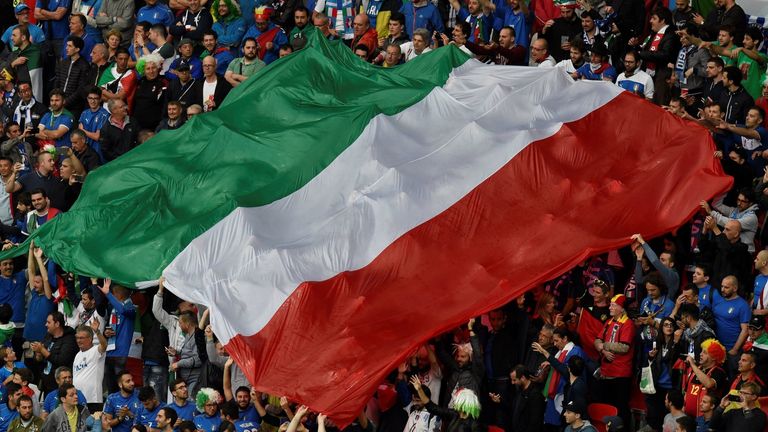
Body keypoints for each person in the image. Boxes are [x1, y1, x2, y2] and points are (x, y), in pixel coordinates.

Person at [594, 294, 636, 425]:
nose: (610, 307)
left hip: (620, 375)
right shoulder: (609, 321)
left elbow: (624, 347)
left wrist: (604, 345)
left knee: (620, 409)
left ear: (622, 308)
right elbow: (597, 340)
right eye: (610, 304)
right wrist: (602, 350)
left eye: (613, 305)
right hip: (606, 373)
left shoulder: (628, 324)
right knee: (606, 407)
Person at [96, 279, 135, 394]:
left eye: (114, 293)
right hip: (110, 351)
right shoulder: (113, 308)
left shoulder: (130, 307)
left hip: (122, 353)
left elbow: (123, 310)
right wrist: (106, 333)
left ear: (118, 294)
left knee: (124, 388)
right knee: (111, 389)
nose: (113, 295)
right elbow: (111, 326)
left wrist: (107, 294)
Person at [410, 376, 480, 432]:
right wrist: (419, 389)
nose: (454, 401)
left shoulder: (475, 425)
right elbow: (432, 407)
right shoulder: (454, 414)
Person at [712, 275, 750, 374]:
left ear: (735, 288)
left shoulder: (742, 305)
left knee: (731, 377)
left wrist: (735, 349)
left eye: (726, 287)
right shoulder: (718, 301)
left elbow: (745, 330)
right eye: (722, 286)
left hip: (731, 350)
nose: (723, 289)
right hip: (716, 348)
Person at [682, 338, 728, 417]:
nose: (700, 354)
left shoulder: (719, 372)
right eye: (701, 351)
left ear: (713, 357)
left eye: (705, 352)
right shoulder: (697, 369)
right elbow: (687, 392)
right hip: (688, 416)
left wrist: (693, 365)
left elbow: (708, 384)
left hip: (704, 419)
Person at [72, 321, 106, 413]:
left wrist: (97, 332)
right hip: (77, 399)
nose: (78, 340)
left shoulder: (96, 351)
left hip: (93, 399)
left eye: (82, 338)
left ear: (90, 338)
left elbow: (104, 345)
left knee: (94, 426)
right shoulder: (77, 355)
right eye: (77, 338)